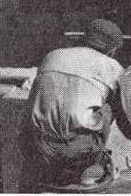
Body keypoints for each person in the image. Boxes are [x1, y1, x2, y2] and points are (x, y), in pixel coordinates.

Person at [28, 18, 126, 188]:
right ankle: (93, 166)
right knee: (110, 105)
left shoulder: (52, 55)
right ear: (112, 49)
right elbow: (126, 123)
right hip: (78, 152)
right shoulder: (113, 66)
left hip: (39, 149)